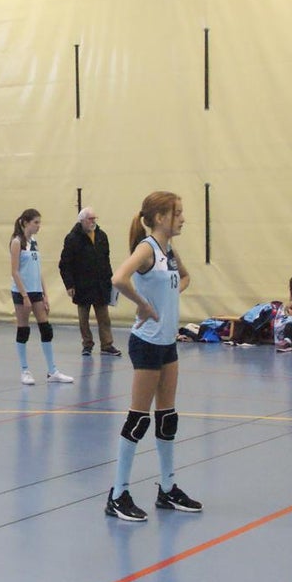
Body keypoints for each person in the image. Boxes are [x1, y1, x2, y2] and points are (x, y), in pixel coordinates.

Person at [105, 192, 202, 521]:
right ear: (160, 217)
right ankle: (118, 494)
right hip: (146, 343)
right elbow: (118, 278)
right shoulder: (146, 248)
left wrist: (168, 296)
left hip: (167, 344)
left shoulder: (169, 250)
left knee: (167, 416)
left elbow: (185, 278)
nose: (183, 219)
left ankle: (167, 488)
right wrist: (144, 304)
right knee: (138, 419)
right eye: (178, 213)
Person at [10, 208, 73, 386]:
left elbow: (38, 271)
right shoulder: (17, 242)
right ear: (25, 222)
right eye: (35, 222)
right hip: (22, 292)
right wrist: (24, 296)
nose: (39, 226)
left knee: (46, 328)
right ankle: (24, 370)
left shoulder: (34, 242)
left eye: (39, 222)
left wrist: (45, 294)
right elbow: (14, 272)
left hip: (36, 291)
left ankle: (52, 370)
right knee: (23, 330)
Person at [59, 207, 121, 357]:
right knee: (83, 318)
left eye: (94, 219)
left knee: (104, 317)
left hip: (100, 284)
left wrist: (110, 280)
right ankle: (87, 344)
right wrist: (69, 285)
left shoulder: (102, 236)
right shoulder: (72, 238)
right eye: (90, 219)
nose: (93, 222)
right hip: (82, 286)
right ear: (82, 221)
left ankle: (107, 345)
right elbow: (65, 264)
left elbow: (106, 260)